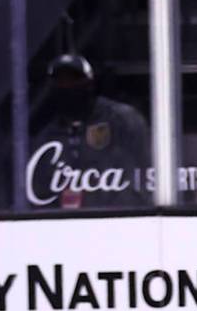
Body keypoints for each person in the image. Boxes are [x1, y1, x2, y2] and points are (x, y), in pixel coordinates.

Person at [28, 54, 151, 209]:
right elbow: (41, 194)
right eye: (60, 81)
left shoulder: (121, 120)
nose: (67, 85)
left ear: (90, 83)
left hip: (116, 222)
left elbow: (142, 176)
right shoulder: (46, 138)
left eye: (74, 79)